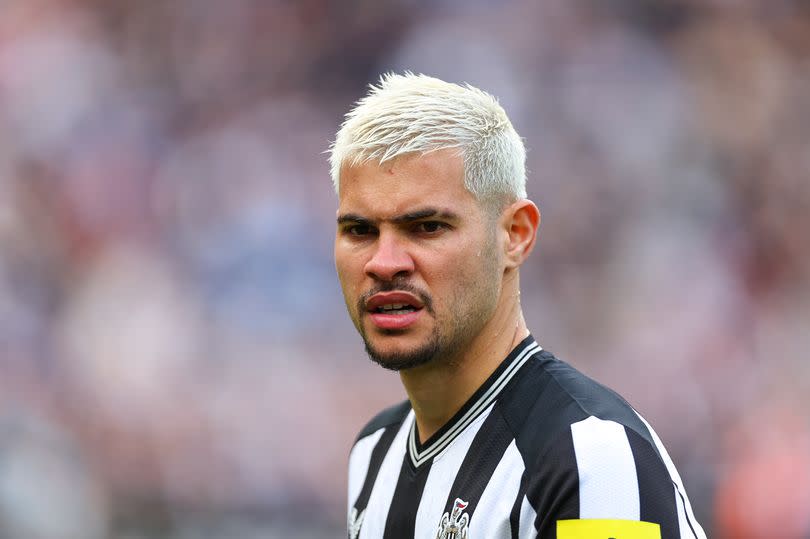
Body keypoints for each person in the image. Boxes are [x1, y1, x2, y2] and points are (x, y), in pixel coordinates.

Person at [329, 73, 706, 539]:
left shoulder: (589, 457)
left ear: (516, 234)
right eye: (360, 231)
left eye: (426, 227)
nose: (384, 263)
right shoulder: (374, 452)